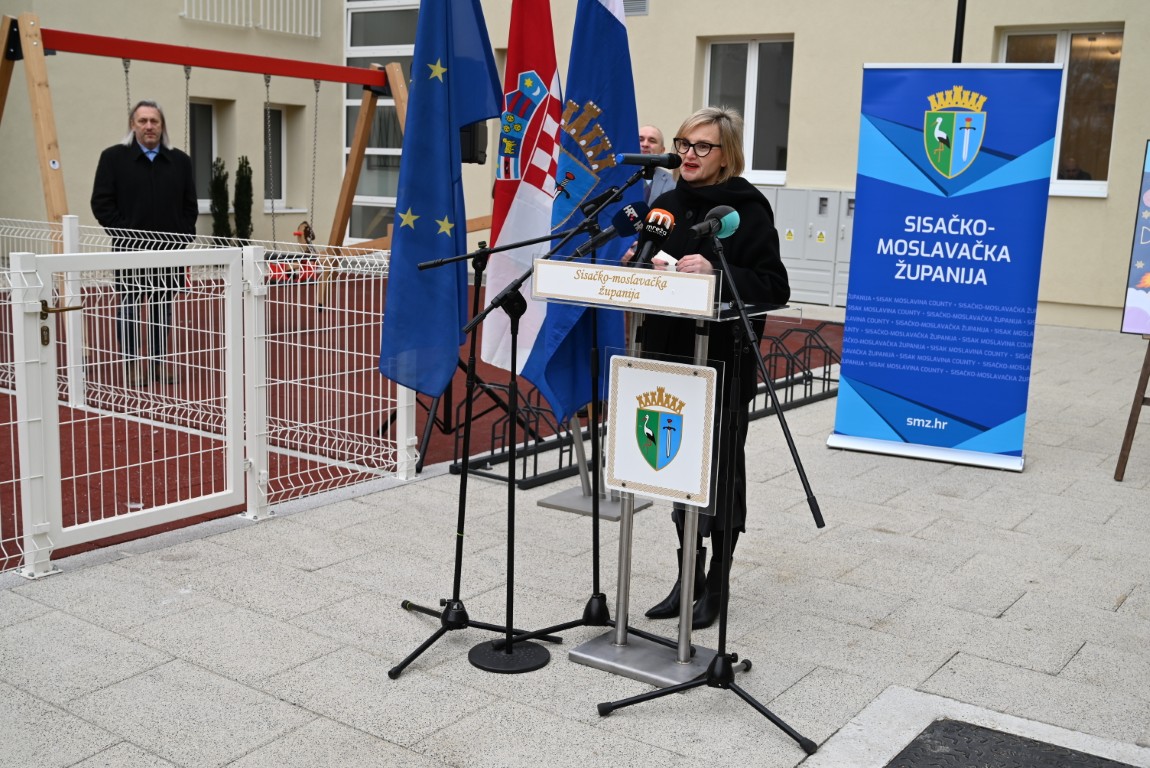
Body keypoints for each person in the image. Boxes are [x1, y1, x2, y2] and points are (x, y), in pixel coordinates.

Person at [627, 106, 789, 629]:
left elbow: (774, 285)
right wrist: (638, 263)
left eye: (702, 146)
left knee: (719, 473)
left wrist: (716, 269)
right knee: (677, 469)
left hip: (722, 362)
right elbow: (652, 266)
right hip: (667, 359)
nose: (689, 154)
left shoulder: (746, 208)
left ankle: (718, 580)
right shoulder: (666, 206)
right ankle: (687, 576)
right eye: (683, 144)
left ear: (726, 155)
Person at [91, 100, 198, 386]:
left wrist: (182, 236)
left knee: (162, 309)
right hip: (129, 250)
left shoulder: (180, 161)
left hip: (169, 251)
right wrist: (125, 234)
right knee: (130, 307)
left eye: (154, 121)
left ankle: (157, 365)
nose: (149, 126)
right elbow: (101, 203)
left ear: (162, 126)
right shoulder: (113, 158)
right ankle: (132, 367)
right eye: (143, 121)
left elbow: (190, 206)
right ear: (133, 125)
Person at [639, 123, 676, 202]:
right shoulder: (618, 176)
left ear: (661, 150)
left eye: (652, 141)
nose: (645, 144)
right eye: (640, 140)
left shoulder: (673, 183)